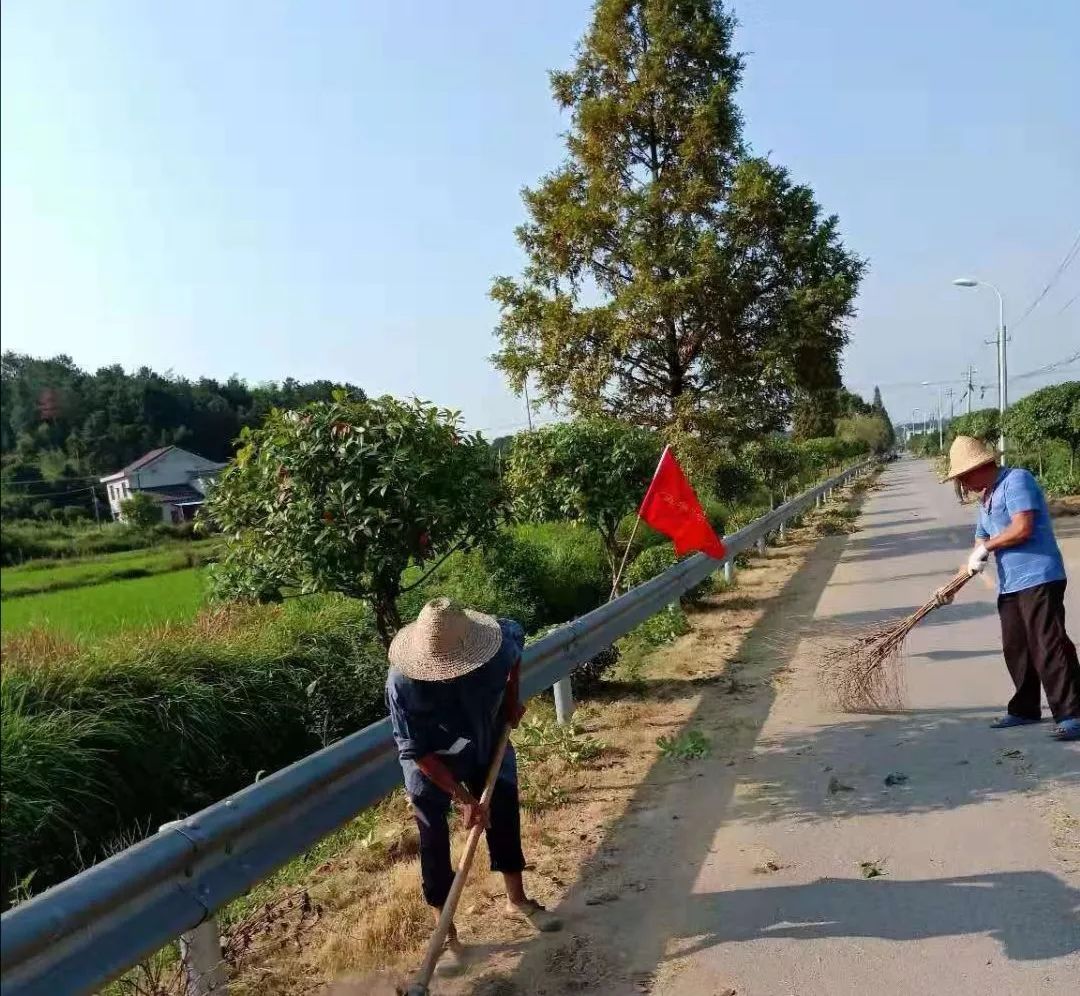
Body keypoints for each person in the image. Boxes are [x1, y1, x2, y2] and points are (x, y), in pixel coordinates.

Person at [385, 597, 562, 974]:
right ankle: (447, 937)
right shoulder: (403, 684)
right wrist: (462, 797)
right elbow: (417, 751)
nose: (447, 674)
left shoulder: (497, 647)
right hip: (431, 759)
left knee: (503, 809)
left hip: (484, 737)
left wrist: (512, 700)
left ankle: (517, 900)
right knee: (433, 838)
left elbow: (516, 652)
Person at [942, 436, 1080, 741]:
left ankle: (1071, 713)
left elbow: (1022, 527)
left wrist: (988, 546)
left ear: (981, 466)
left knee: (1048, 644)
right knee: (1015, 646)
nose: (964, 484)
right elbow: (979, 547)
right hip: (1011, 583)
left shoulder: (1016, 481)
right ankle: (1025, 709)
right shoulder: (986, 500)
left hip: (1040, 575)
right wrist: (953, 585)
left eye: (964, 477)